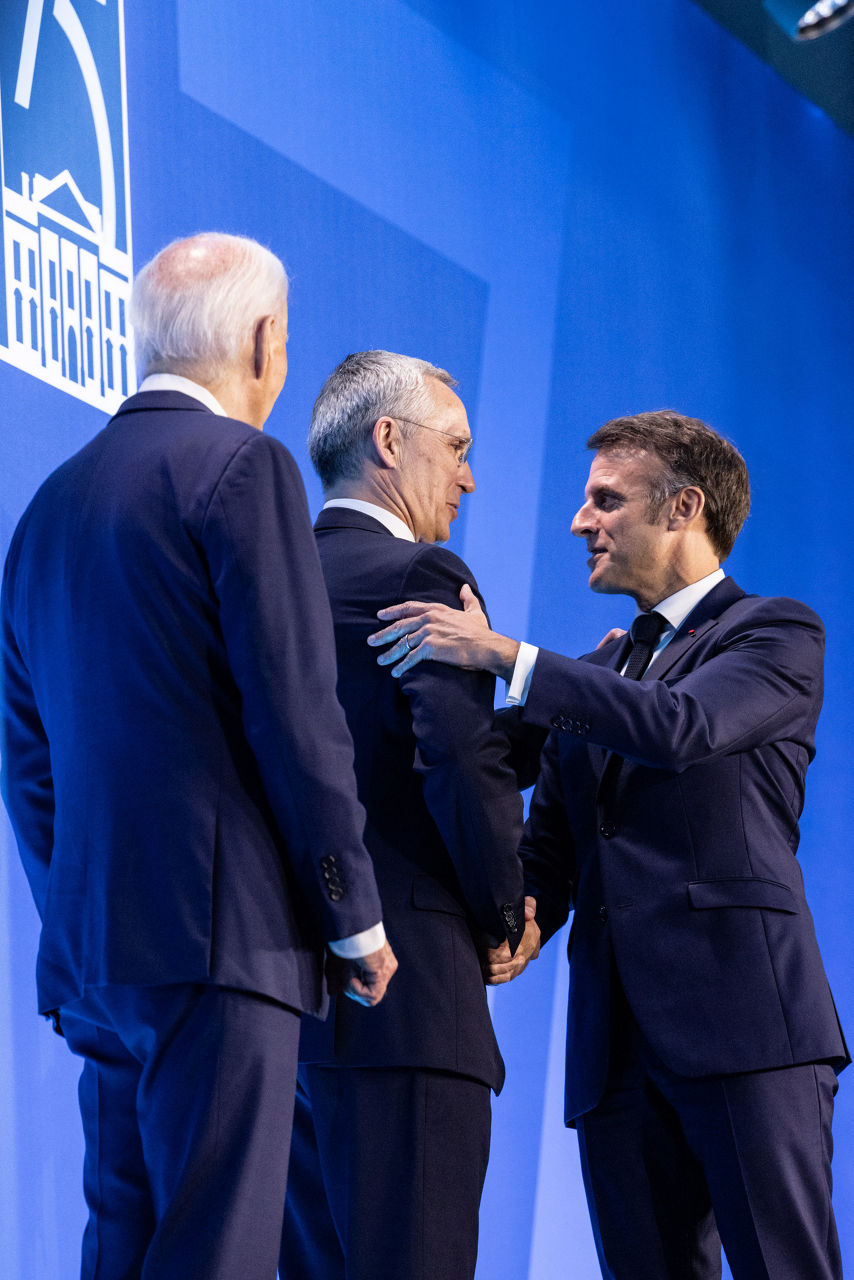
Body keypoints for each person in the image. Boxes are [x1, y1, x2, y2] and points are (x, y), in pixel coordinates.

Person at [367, 409, 848, 1280]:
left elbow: (684, 726)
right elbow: (556, 833)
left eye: (605, 501)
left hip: (745, 1031)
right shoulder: (605, 669)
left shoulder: (776, 633)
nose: (582, 522)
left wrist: (505, 655)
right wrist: (525, 915)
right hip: (615, 1050)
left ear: (683, 508)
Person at [1, 233, 396, 1280]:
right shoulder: (244, 465)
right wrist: (350, 913)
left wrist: (81, 908)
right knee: (218, 1248)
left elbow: (29, 762)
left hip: (97, 955)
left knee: (121, 1247)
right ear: (265, 341)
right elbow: (294, 710)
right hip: (224, 943)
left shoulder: (45, 510)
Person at [279, 350, 537, 1280]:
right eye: (457, 447)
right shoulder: (421, 573)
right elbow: (458, 764)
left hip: (282, 1010)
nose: (469, 476)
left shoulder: (264, 581)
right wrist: (505, 916)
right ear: (389, 440)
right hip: (413, 1002)